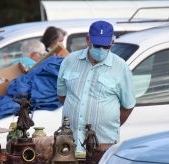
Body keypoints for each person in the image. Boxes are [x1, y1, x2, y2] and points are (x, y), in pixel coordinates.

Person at [57, 20, 136, 153]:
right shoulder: (70, 61)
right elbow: (62, 96)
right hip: (71, 146)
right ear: (88, 39)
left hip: (103, 148)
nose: (101, 50)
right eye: (97, 45)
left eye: (105, 46)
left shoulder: (121, 67)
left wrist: (107, 124)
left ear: (112, 42)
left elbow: (128, 106)